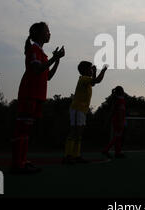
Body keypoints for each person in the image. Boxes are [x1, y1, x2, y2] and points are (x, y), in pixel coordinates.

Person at [11, 22, 65, 174]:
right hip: (29, 94)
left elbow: (48, 76)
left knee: (26, 131)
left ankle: (22, 161)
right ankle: (17, 164)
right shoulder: (34, 49)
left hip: (36, 96)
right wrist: (55, 58)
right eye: (47, 31)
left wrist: (57, 60)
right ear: (40, 34)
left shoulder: (42, 53)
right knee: (22, 130)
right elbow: (36, 69)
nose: (49, 34)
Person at [63, 61, 107, 164]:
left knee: (79, 133)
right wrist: (103, 71)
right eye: (90, 69)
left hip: (81, 110)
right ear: (84, 70)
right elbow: (97, 81)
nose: (91, 70)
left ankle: (76, 155)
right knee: (74, 132)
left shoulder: (86, 79)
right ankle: (68, 156)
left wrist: (95, 72)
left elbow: (94, 82)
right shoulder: (83, 78)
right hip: (77, 109)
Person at [102, 86, 127, 159]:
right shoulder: (120, 100)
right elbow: (119, 111)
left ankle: (117, 153)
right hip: (119, 120)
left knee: (118, 137)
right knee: (117, 137)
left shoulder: (116, 99)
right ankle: (106, 150)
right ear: (121, 91)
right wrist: (121, 122)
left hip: (116, 120)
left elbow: (113, 110)